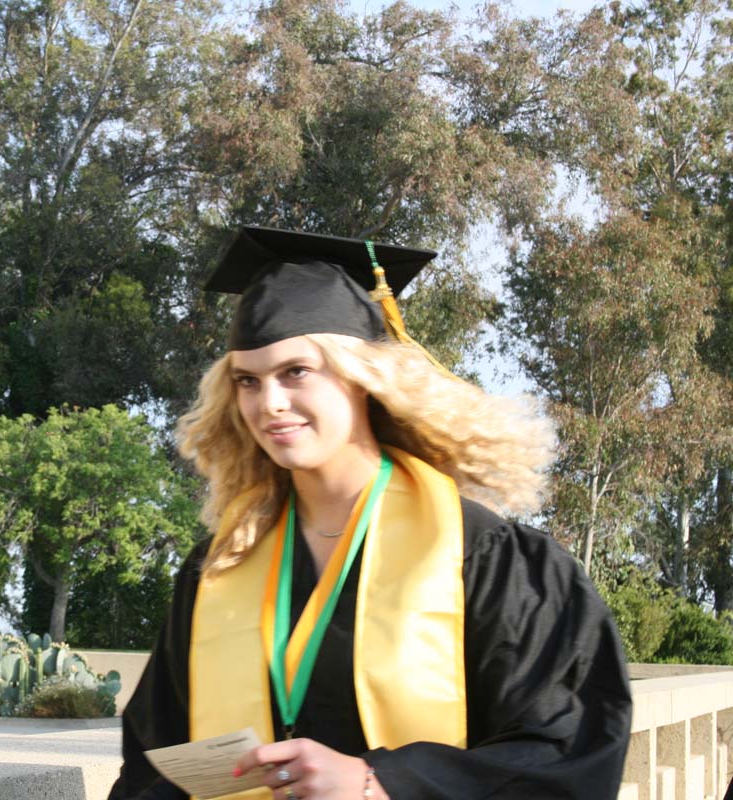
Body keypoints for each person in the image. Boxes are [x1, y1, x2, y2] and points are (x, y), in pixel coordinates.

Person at [109, 226, 632, 800]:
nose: (270, 404)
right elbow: (157, 763)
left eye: (296, 372)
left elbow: (562, 747)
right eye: (248, 382)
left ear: (360, 377)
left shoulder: (480, 556)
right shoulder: (220, 568)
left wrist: (377, 782)